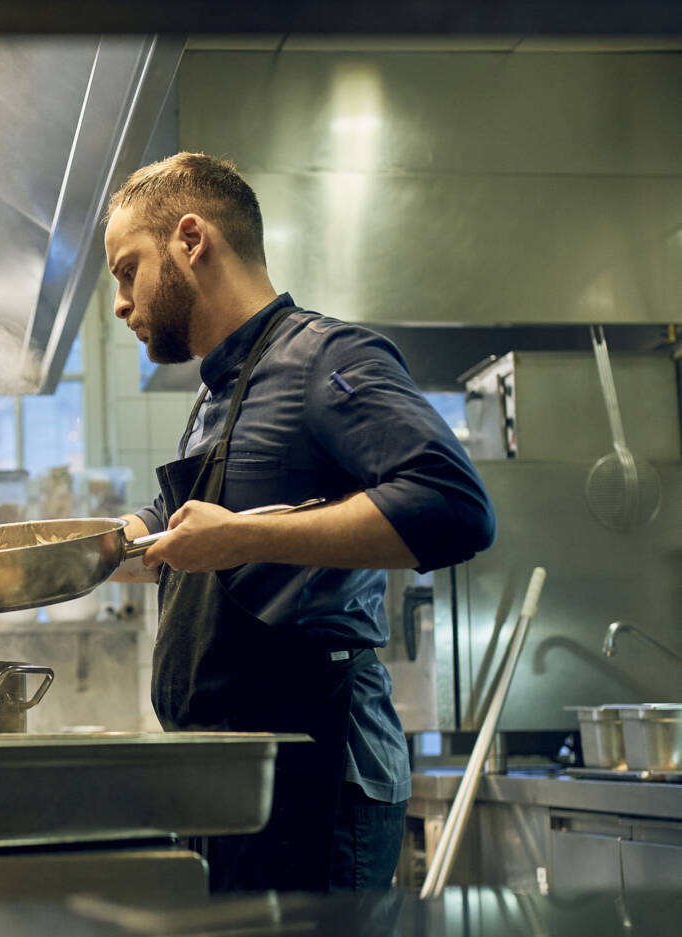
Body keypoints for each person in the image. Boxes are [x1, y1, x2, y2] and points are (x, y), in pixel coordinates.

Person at [103, 152, 496, 892]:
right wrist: (84, 549)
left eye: (127, 271)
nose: (121, 303)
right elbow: (188, 518)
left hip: (321, 776)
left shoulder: (326, 358)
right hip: (233, 782)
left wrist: (243, 536)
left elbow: (455, 505)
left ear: (191, 240)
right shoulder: (216, 390)